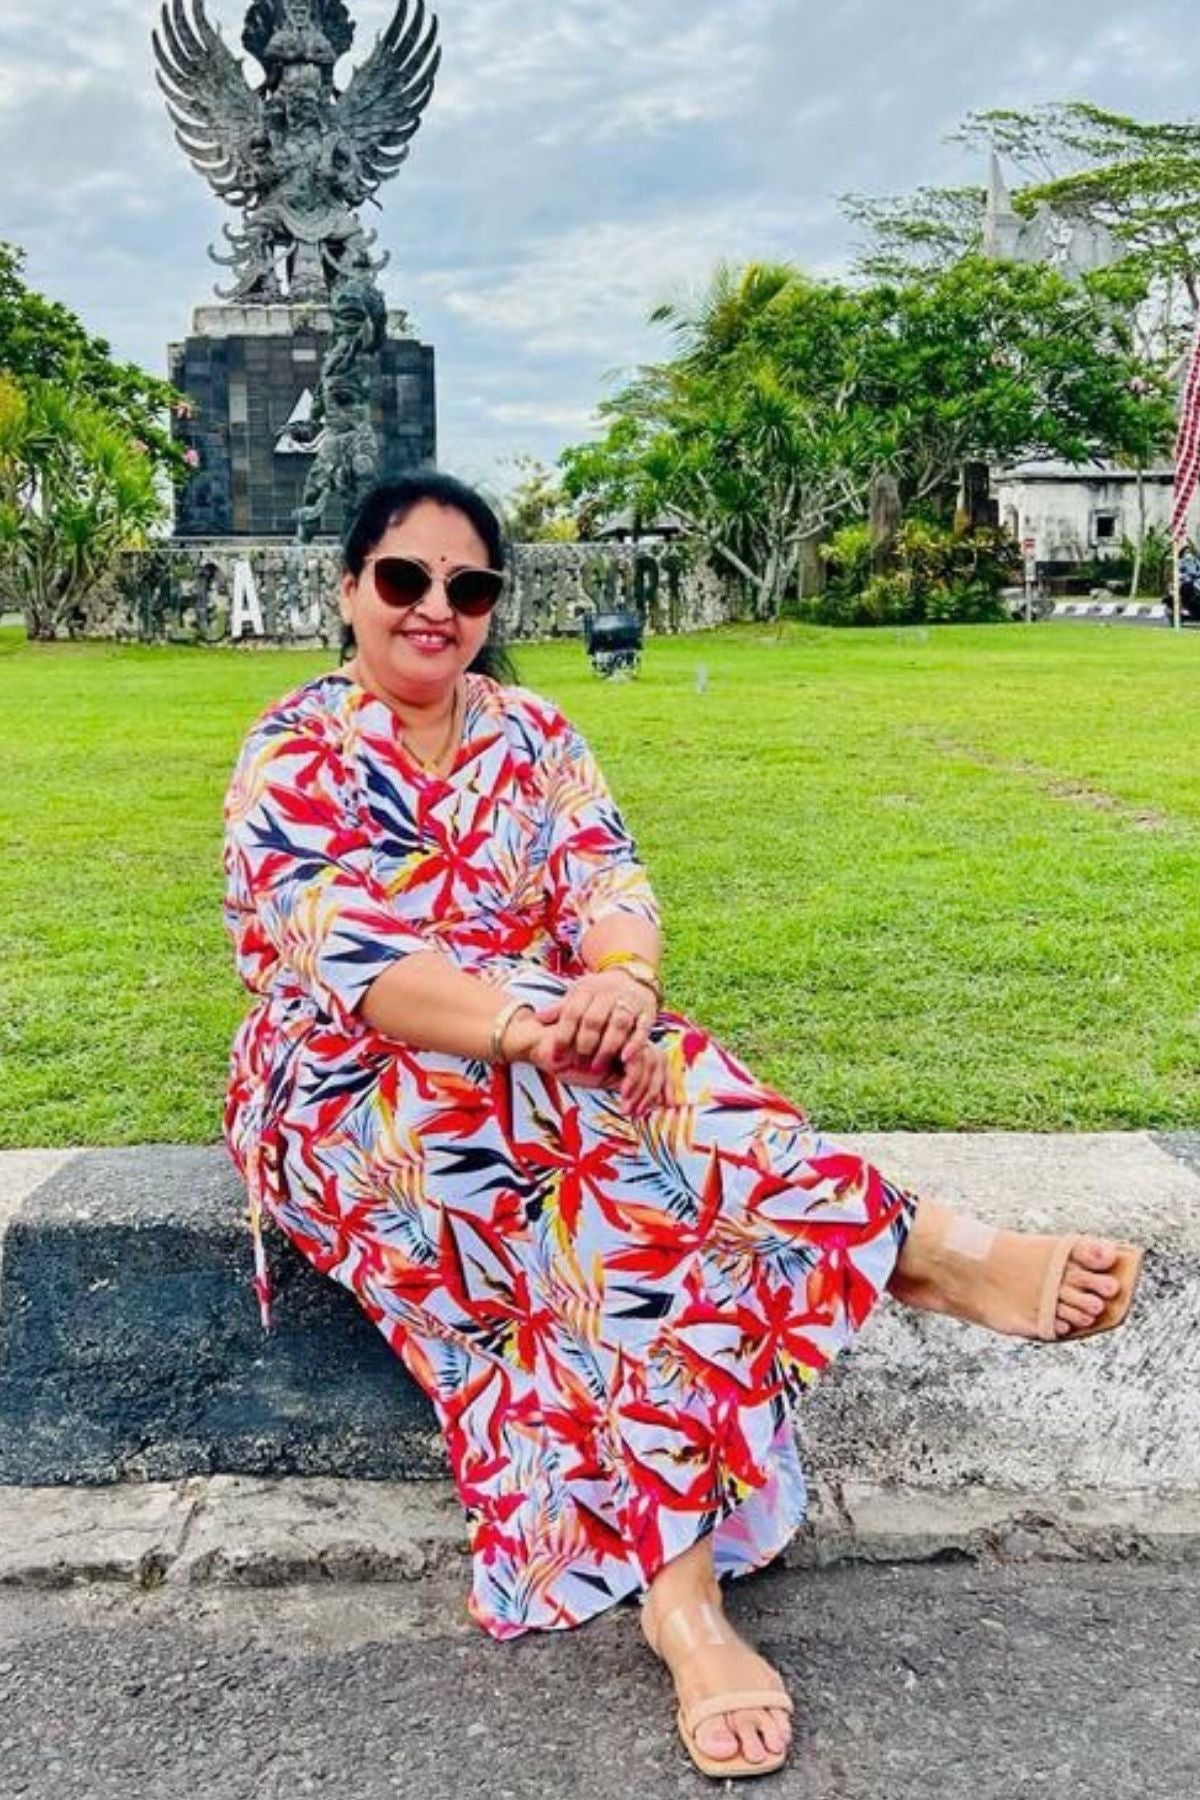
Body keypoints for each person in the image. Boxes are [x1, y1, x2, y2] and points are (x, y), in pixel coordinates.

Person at [222, 472, 1144, 1782]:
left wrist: (620, 985)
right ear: (349, 590)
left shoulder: (533, 735)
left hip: (548, 1058)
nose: (437, 609)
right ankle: (910, 1253)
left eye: (468, 587)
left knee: (636, 1121)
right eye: (405, 579)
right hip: (346, 1085)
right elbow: (352, 963)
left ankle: (684, 1593)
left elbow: (609, 880)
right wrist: (538, 1029)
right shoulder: (294, 750)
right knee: (587, 1149)